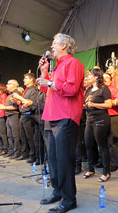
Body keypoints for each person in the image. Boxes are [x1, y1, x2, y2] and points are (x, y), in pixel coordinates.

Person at [36, 33, 84, 213]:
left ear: (64, 45)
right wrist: (44, 73)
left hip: (66, 116)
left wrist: (49, 82)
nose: (52, 46)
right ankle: (58, 191)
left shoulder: (74, 64)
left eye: (54, 43)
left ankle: (69, 198)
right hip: (51, 115)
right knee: (53, 158)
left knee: (64, 159)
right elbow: (46, 89)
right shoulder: (57, 67)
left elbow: (71, 89)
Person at [83, 69, 112, 182]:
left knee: (102, 146)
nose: (88, 77)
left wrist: (94, 104)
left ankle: (106, 172)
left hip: (100, 120)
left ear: (96, 77)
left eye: (90, 75)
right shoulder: (89, 89)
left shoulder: (104, 89)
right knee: (89, 144)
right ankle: (90, 169)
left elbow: (109, 104)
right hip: (89, 120)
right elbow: (87, 104)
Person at [14, 72, 38, 163]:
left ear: (31, 79)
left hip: (29, 115)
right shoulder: (27, 90)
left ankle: (33, 155)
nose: (24, 80)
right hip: (23, 115)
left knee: (30, 137)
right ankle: (25, 153)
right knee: (23, 136)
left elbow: (33, 104)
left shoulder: (33, 90)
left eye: (26, 78)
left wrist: (20, 98)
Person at [0, 80, 22, 159]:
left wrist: (3, 107)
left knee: (15, 135)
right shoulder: (10, 94)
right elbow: (6, 105)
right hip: (9, 116)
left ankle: (17, 152)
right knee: (9, 135)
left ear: (14, 85)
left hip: (14, 115)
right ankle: (11, 151)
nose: (7, 85)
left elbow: (15, 107)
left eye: (9, 83)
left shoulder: (16, 93)